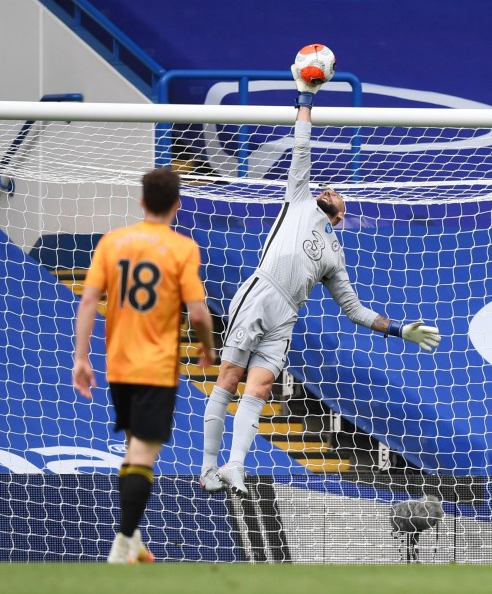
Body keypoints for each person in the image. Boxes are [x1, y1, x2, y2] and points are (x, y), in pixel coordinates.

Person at [199, 64, 442, 499]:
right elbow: (302, 145)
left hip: (285, 317)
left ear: (342, 215)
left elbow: (354, 311)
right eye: (326, 189)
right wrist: (304, 96)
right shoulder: (299, 199)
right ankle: (207, 467)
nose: (328, 189)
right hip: (261, 292)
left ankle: (235, 466)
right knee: (230, 378)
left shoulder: (335, 254)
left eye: (336, 193)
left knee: (259, 387)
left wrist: (400, 329)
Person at [73, 168, 217, 564]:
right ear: (177, 205)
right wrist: (207, 350)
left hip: (118, 365)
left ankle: (133, 537)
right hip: (156, 367)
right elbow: (200, 313)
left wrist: (81, 358)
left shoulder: (112, 242)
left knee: (133, 446)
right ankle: (121, 544)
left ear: (141, 201)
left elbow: (88, 302)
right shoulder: (183, 248)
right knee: (142, 453)